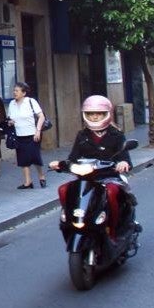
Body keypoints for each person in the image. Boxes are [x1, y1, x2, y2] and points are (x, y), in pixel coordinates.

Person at [49, 95, 137, 231]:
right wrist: (60, 165)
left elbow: (124, 156)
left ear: (107, 114)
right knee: (64, 190)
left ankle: (114, 228)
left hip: (109, 177)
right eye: (91, 114)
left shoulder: (116, 135)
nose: (95, 117)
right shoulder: (82, 135)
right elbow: (73, 157)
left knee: (112, 192)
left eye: (99, 114)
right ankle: (68, 222)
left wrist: (123, 163)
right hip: (86, 179)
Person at [6, 81, 48, 189]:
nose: (14, 92)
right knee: (22, 158)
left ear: (23, 93)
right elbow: (10, 118)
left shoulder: (30, 101)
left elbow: (41, 116)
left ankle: (41, 176)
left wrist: (38, 130)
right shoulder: (11, 104)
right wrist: (10, 122)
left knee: (35, 157)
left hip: (32, 134)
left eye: (17, 91)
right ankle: (28, 181)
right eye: (14, 90)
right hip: (19, 135)